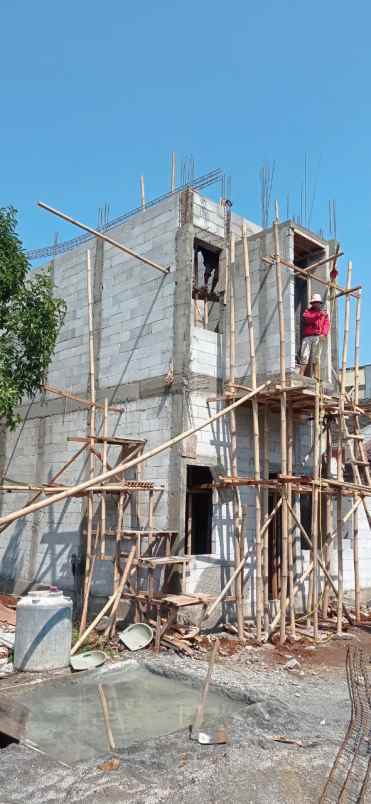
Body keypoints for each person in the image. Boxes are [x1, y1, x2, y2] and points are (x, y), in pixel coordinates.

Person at [299, 293, 330, 376]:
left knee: (316, 357)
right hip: (308, 337)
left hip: (318, 336)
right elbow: (308, 319)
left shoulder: (324, 314)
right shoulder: (307, 312)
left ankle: (316, 376)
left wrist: (324, 333)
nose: (315, 304)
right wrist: (318, 315)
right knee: (304, 356)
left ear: (320, 303)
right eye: (314, 302)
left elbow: (326, 324)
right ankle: (301, 374)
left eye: (317, 302)